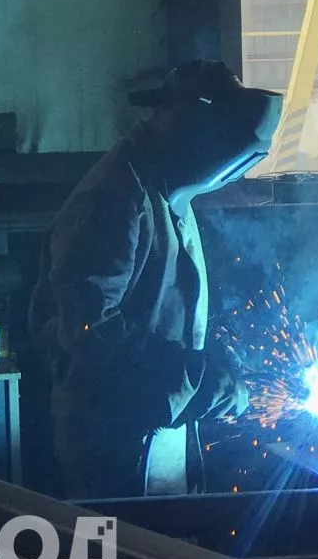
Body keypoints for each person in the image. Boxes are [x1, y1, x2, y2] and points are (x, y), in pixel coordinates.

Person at [30, 60, 283, 498]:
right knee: (125, 543)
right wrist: (198, 380)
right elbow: (89, 331)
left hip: (154, 429)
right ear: (194, 133)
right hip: (110, 442)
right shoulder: (113, 202)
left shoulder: (164, 190)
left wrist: (216, 359)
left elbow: (162, 311)